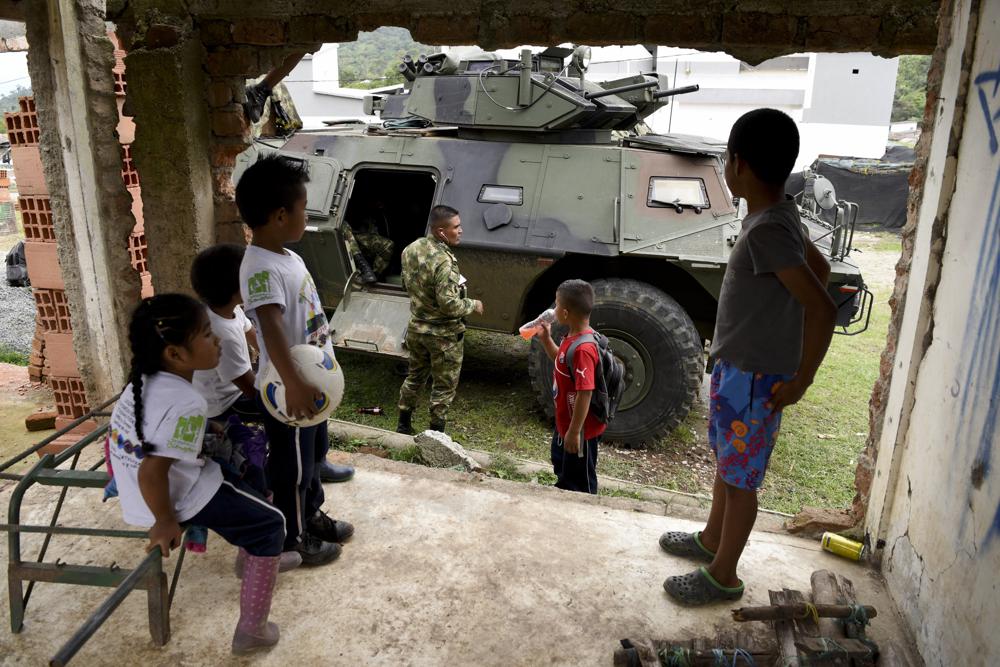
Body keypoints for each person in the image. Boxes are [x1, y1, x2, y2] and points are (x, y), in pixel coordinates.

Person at [659, 108, 837, 605]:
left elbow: (822, 308)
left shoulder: (767, 229)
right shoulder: (775, 217)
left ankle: (724, 575)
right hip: (740, 372)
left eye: (725, 160)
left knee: (741, 482)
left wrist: (800, 379)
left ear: (739, 164)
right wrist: (775, 316)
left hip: (757, 380)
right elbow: (818, 268)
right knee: (728, 466)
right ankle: (711, 540)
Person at [107, 294, 286, 654]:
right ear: (175, 354)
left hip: (153, 488)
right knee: (272, 525)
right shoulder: (188, 402)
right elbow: (152, 472)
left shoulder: (143, 381)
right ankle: (252, 629)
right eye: (207, 334)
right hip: (175, 498)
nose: (217, 339)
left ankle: (249, 553)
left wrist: (206, 431)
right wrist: (164, 521)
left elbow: (159, 438)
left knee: (243, 470)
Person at [236, 154, 354, 567]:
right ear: (281, 215)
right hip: (289, 391)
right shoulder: (259, 270)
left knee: (312, 457)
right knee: (293, 467)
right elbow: (270, 330)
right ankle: (293, 537)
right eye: (304, 208)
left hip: (309, 381)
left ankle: (312, 512)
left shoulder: (287, 256)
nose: (308, 215)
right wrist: (296, 385)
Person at [190, 243, 355, 486]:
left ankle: (318, 461)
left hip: (240, 385)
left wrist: (285, 365)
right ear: (238, 285)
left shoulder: (232, 310)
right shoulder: (219, 332)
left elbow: (253, 336)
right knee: (299, 404)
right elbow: (247, 386)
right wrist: (285, 389)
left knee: (312, 389)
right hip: (227, 403)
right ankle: (297, 468)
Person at [396, 205, 483, 435]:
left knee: (415, 376)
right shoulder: (445, 261)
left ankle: (403, 425)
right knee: (443, 386)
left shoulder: (410, 249)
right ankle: (436, 434)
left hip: (416, 329)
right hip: (443, 336)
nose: (461, 230)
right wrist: (473, 304)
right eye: (456, 227)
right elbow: (449, 305)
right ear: (441, 231)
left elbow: (407, 285)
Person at [537, 279, 604, 494]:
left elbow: (585, 392)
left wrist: (575, 433)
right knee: (563, 467)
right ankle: (564, 493)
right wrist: (546, 339)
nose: (553, 309)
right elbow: (561, 359)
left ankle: (583, 512)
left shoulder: (584, 348)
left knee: (581, 481)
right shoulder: (572, 337)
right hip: (566, 422)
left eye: (556, 305)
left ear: (565, 313)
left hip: (581, 429)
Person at [344, 198, 394, 284]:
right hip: (347, 235)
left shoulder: (373, 213)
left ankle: (374, 275)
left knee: (388, 244)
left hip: (362, 236)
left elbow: (372, 233)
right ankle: (365, 269)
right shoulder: (349, 200)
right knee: (344, 226)